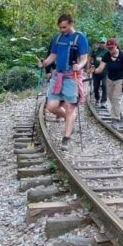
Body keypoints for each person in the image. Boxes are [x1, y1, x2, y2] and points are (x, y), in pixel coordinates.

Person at [38, 14, 89, 149]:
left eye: (64, 27)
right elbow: (53, 55)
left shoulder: (80, 37)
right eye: (60, 27)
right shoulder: (57, 38)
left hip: (72, 76)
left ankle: (66, 138)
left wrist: (80, 65)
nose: (62, 30)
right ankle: (69, 119)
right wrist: (45, 63)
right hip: (58, 75)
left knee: (70, 107)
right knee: (51, 106)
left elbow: (84, 58)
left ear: (71, 24)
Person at [93, 38, 123, 127]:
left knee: (116, 99)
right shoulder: (107, 55)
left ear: (116, 46)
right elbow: (100, 68)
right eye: (108, 47)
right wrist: (93, 71)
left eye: (112, 47)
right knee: (111, 99)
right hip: (110, 79)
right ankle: (119, 115)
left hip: (120, 80)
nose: (110, 49)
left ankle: (115, 120)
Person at [88, 38, 108, 107]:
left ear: (105, 43)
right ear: (99, 43)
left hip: (105, 71)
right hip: (95, 71)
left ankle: (103, 101)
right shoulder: (95, 50)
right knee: (96, 86)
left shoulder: (107, 51)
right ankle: (97, 99)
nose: (102, 44)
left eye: (103, 43)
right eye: (101, 43)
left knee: (104, 85)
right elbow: (90, 58)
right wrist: (88, 67)